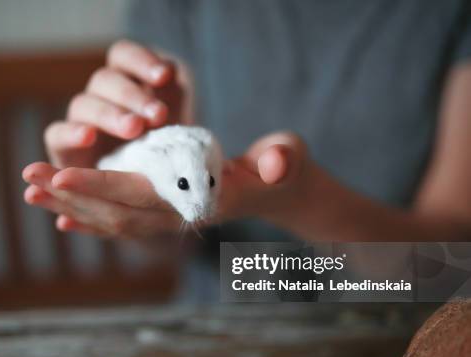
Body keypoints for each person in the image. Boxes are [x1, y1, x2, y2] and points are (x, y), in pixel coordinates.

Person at [23, 0, 471, 243]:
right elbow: (176, 235)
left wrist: (301, 201)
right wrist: (117, 177)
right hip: (216, 323)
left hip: (403, 327)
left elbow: (449, 275)